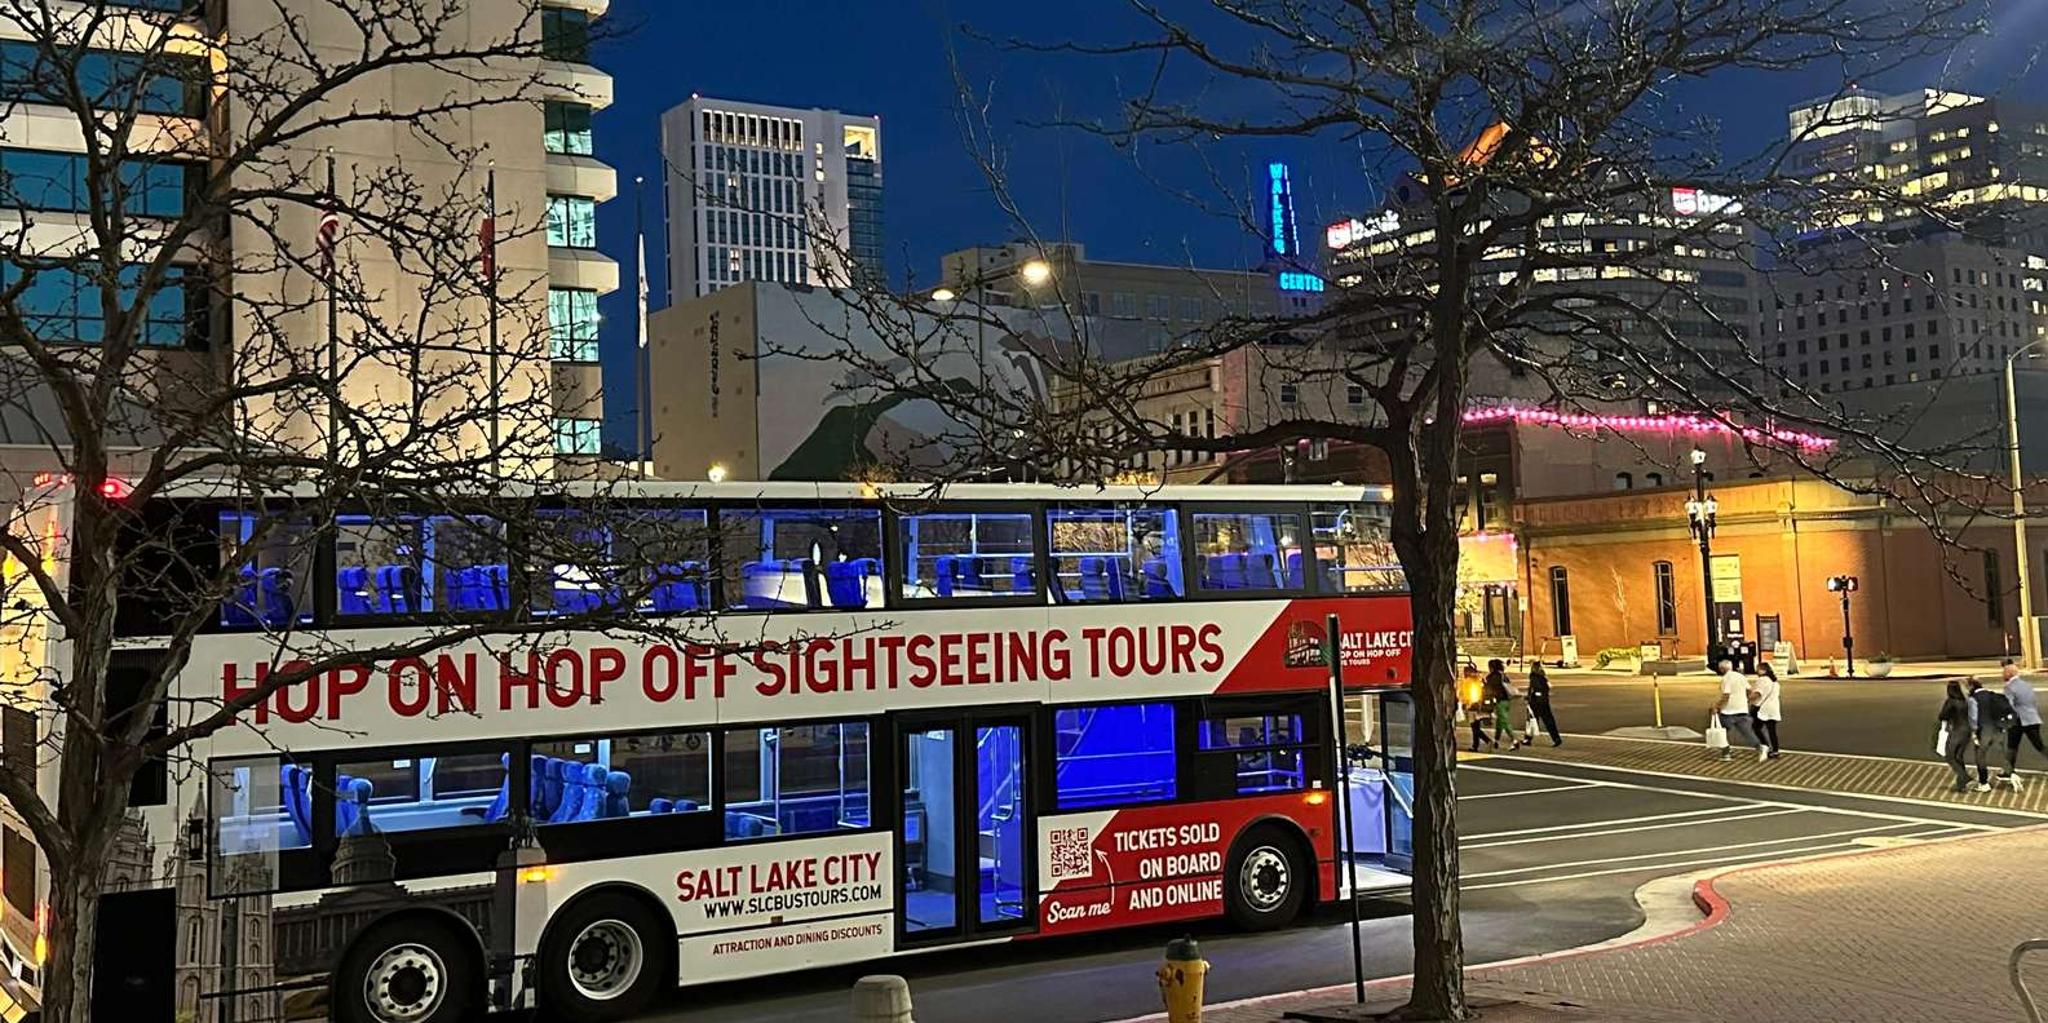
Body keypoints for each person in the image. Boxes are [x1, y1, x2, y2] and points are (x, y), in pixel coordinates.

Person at [1999, 659, 2045, 791]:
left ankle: (2008, 771)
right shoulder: (2026, 685)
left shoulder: (2009, 687)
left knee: (2012, 747)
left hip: (2019, 721)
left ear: (2009, 674)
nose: (2002, 675)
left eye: (2004, 673)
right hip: (2032, 719)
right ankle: (2007, 770)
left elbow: (2008, 706)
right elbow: (2032, 701)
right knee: (2039, 745)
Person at [1967, 676, 2014, 793]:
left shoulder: (1974, 699)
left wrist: (1974, 732)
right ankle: (2010, 774)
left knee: (1980, 755)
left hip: (1984, 731)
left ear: (1972, 686)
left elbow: (1973, 718)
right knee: (2002, 752)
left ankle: (1984, 783)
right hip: (1998, 728)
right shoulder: (1992, 695)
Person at [1714, 659, 1765, 762]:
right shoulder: (1740, 676)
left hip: (1728, 711)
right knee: (1746, 732)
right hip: (1742, 709)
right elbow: (1749, 690)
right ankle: (1760, 747)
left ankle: (1726, 753)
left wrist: (1717, 706)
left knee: (1722, 732)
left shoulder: (1726, 679)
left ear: (1722, 669)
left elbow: (1726, 695)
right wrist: (1746, 699)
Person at [1936, 680, 1974, 794]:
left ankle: (1964, 776)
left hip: (1957, 731)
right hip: (1967, 731)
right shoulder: (1964, 701)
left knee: (1950, 756)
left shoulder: (1951, 702)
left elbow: (1942, 716)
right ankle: (1960, 784)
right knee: (1958, 756)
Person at [1750, 662, 1784, 759]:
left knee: (1756, 727)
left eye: (1758, 669)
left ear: (1763, 670)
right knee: (1772, 730)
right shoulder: (1775, 682)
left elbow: (1757, 694)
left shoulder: (1762, 680)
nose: (1756, 671)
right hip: (1773, 708)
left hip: (1762, 708)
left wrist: (1748, 698)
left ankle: (1765, 745)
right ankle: (1775, 750)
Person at [1524, 662, 1562, 747]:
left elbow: (1533, 689)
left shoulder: (1533, 677)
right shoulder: (1543, 677)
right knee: (1548, 720)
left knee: (1532, 720)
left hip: (1535, 702)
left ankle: (1528, 739)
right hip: (1544, 701)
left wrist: (1529, 697)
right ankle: (1556, 738)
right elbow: (1546, 688)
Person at [1481, 659, 1516, 752]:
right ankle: (1496, 740)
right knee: (1500, 722)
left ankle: (1514, 740)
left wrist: (1484, 685)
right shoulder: (1503, 675)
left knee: (1503, 721)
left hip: (1499, 701)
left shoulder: (1493, 677)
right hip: (1507, 700)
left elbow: (1489, 689)